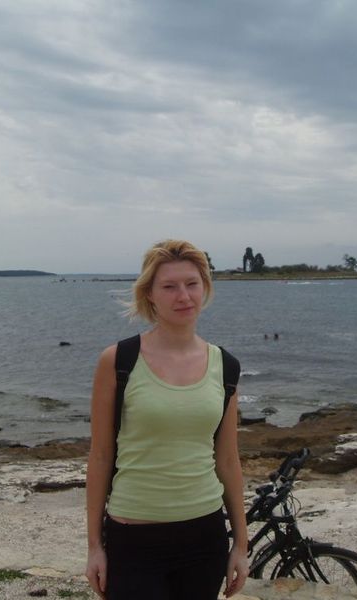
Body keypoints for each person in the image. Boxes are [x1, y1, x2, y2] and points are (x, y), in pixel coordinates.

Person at [85, 240, 248, 600]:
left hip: (205, 538)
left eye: (192, 284)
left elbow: (227, 460)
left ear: (205, 288)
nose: (183, 296)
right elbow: (100, 456)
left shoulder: (226, 366)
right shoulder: (118, 361)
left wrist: (241, 543)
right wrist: (94, 546)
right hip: (133, 539)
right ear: (150, 294)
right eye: (169, 286)